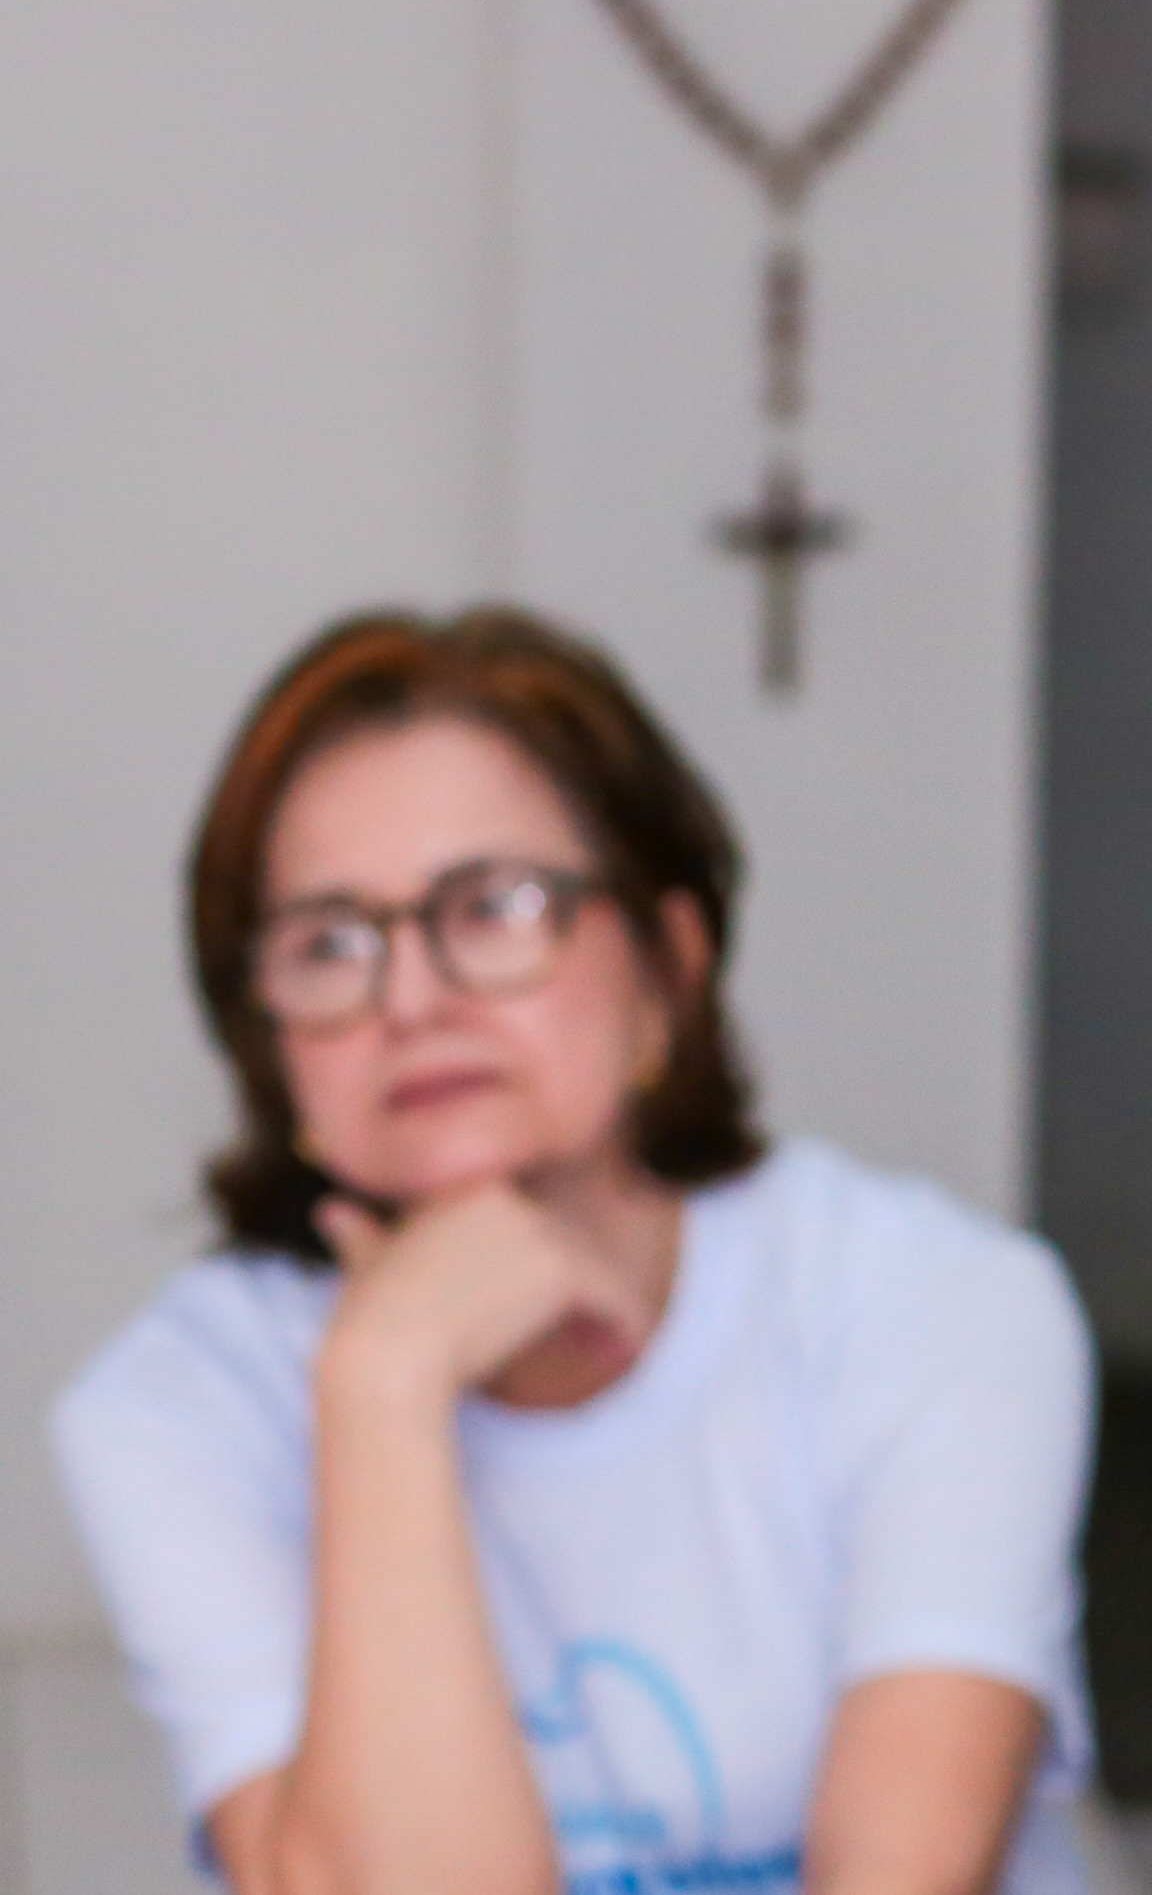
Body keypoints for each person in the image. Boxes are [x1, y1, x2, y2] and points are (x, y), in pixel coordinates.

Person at [50, 608, 1097, 1895]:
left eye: (495, 907)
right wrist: (384, 1386)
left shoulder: (936, 1302)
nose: (411, 997)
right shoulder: (173, 1405)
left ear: (669, 965)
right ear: (267, 1047)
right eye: (327, 942)